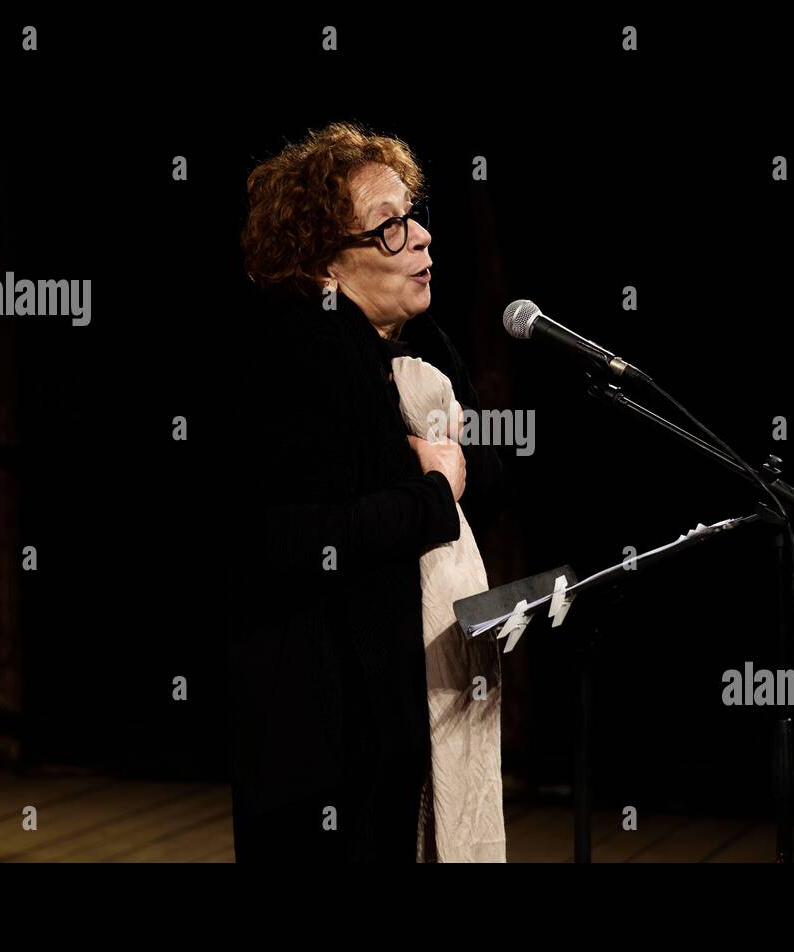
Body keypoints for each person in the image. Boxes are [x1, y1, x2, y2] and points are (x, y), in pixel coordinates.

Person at [221, 121, 505, 862]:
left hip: (378, 729)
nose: (421, 240)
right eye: (389, 227)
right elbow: (276, 541)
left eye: (414, 217)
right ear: (322, 264)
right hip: (320, 744)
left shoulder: (404, 351)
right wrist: (432, 495)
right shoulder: (298, 356)